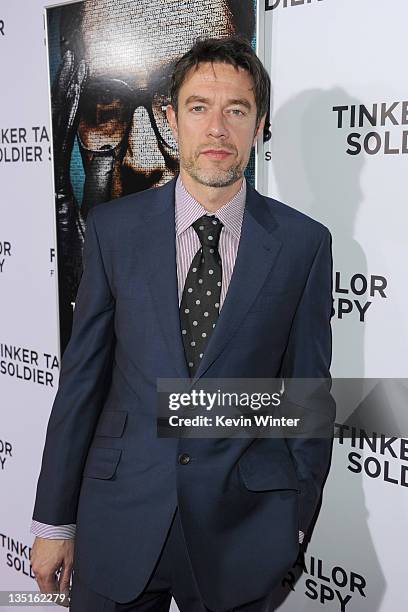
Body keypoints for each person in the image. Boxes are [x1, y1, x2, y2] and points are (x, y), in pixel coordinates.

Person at [30, 36, 335, 612]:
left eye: (236, 110)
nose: (217, 128)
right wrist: (54, 521)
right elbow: (81, 383)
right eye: (199, 108)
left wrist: (294, 516)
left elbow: (306, 393)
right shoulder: (114, 230)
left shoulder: (304, 244)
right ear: (170, 120)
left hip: (243, 523)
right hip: (118, 514)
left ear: (259, 124)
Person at [48, 0, 257, 352]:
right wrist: (80, 282)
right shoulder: (102, 235)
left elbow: (302, 392)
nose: (141, 161)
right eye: (105, 103)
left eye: (192, 104)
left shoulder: (299, 247)